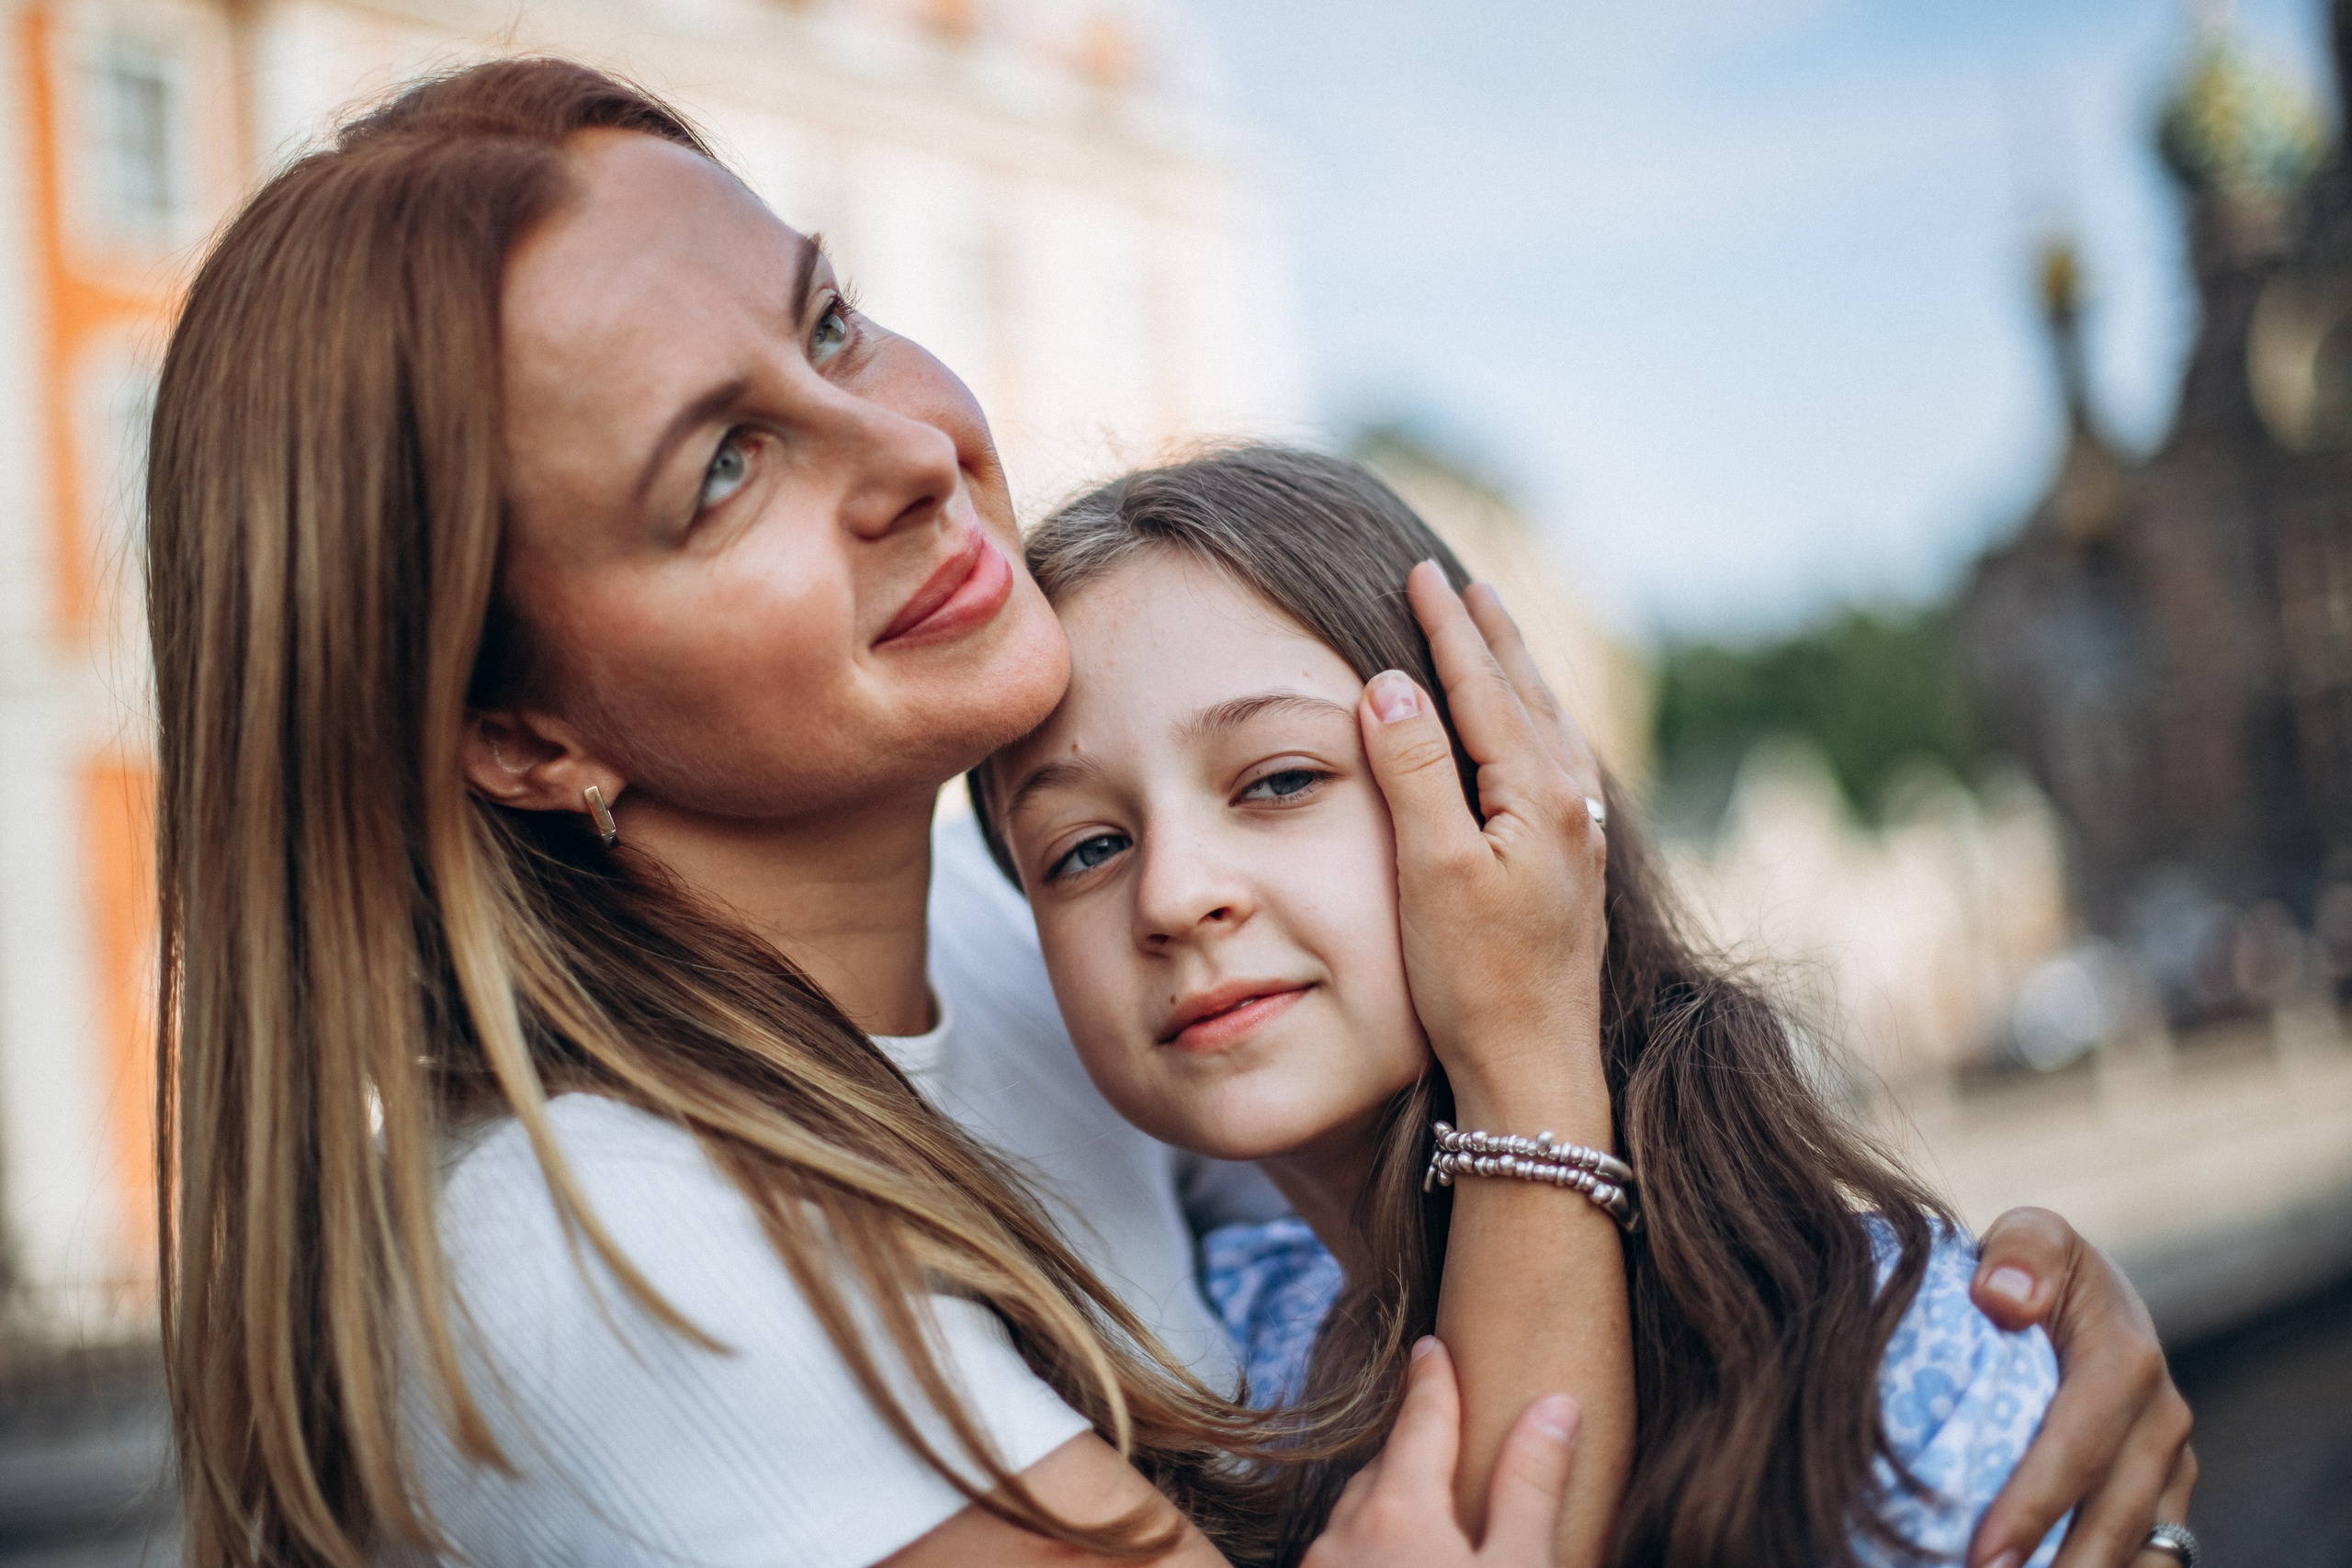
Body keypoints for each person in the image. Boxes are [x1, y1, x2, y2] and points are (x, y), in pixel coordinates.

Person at [143, 53, 2190, 1568]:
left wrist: (1913, 1319)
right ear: (519, 732)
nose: (908, 450)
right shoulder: (602, 1255)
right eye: (720, 470)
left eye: (830, 320)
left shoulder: (1000, 959)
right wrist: (1526, 1039)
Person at [967, 446, 2202, 1568]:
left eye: (1280, 780)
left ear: (1510, 787)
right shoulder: (1197, 1355)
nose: (1175, 896)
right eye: (1081, 849)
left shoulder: (1904, 1357)